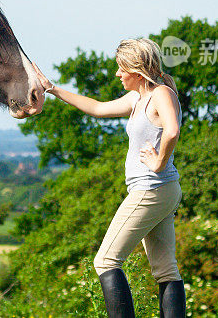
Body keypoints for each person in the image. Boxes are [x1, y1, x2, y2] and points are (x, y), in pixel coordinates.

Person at [33, 38, 186, 318]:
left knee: (105, 260)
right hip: (161, 190)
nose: (117, 74)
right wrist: (53, 89)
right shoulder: (137, 98)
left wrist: (159, 161)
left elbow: (173, 130)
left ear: (136, 69)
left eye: (121, 68)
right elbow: (97, 108)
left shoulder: (161, 93)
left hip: (151, 190)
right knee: (166, 269)